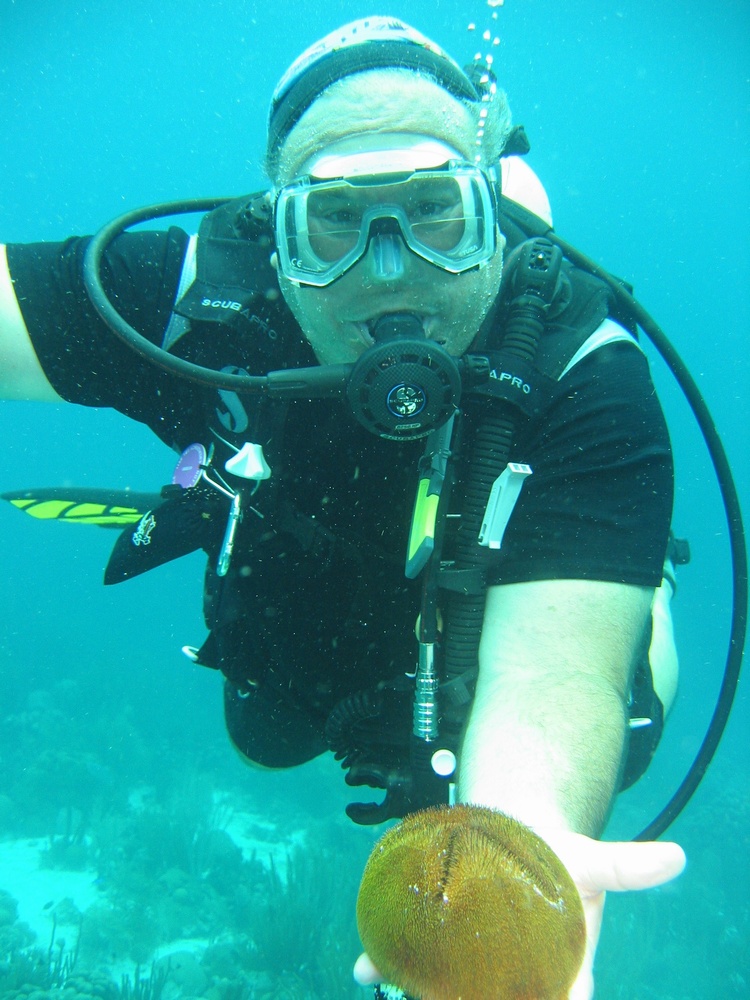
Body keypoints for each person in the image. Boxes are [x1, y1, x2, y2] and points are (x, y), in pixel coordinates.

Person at [0, 15, 685, 999]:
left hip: (520, 604)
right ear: (274, 229)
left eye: (434, 211)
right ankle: (223, 492)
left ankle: (639, 591)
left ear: (488, 209)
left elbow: (547, 682)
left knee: (616, 730)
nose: (390, 266)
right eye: (335, 220)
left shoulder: (578, 363)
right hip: (318, 600)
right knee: (267, 729)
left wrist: (510, 876)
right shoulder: (205, 301)